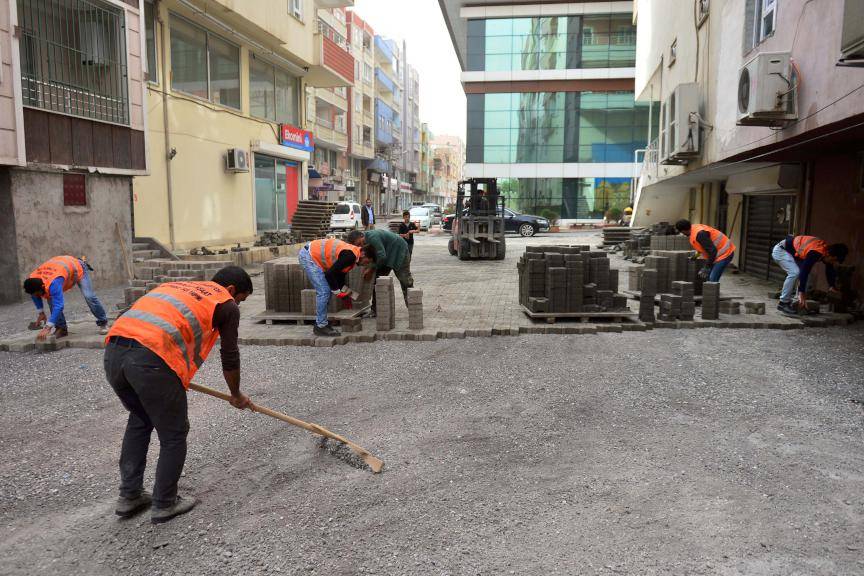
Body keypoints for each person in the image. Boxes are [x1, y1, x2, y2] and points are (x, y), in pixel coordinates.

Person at [104, 266, 254, 524]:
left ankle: (130, 496)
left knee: (140, 420)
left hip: (114, 353)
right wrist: (236, 394)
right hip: (151, 360)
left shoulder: (176, 287)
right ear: (231, 290)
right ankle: (165, 503)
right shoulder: (226, 304)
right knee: (173, 433)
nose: (238, 304)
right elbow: (229, 355)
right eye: (241, 298)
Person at [298, 230, 369, 337]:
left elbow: (339, 279)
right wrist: (338, 293)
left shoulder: (352, 256)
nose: (366, 264)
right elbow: (330, 274)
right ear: (363, 254)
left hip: (314, 254)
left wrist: (349, 295)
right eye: (368, 261)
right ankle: (320, 326)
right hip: (309, 256)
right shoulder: (350, 256)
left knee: (326, 291)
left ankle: (322, 323)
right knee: (324, 291)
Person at [23, 255, 109, 340]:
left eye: (38, 294)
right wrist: (41, 312)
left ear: (42, 287)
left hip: (78, 267)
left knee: (89, 296)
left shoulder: (53, 283)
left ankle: (103, 322)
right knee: (50, 298)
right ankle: (61, 329)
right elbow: (34, 294)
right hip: (61, 267)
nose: (38, 296)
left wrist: (47, 327)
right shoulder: (32, 281)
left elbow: (59, 306)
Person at [771, 235, 848, 315]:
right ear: (830, 255)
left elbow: (829, 269)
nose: (833, 263)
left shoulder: (825, 251)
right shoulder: (816, 252)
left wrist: (831, 286)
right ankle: (783, 303)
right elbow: (804, 271)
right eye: (834, 260)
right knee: (795, 273)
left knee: (801, 274)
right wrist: (802, 293)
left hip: (791, 253)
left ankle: (797, 303)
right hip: (781, 251)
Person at [364, 228, 414, 316]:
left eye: (357, 243)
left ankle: (413, 306)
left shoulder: (371, 237)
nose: (358, 246)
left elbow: (382, 256)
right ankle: (375, 310)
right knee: (378, 282)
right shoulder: (365, 242)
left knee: (405, 281)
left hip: (399, 251)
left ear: (360, 238)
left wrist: (372, 268)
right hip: (387, 256)